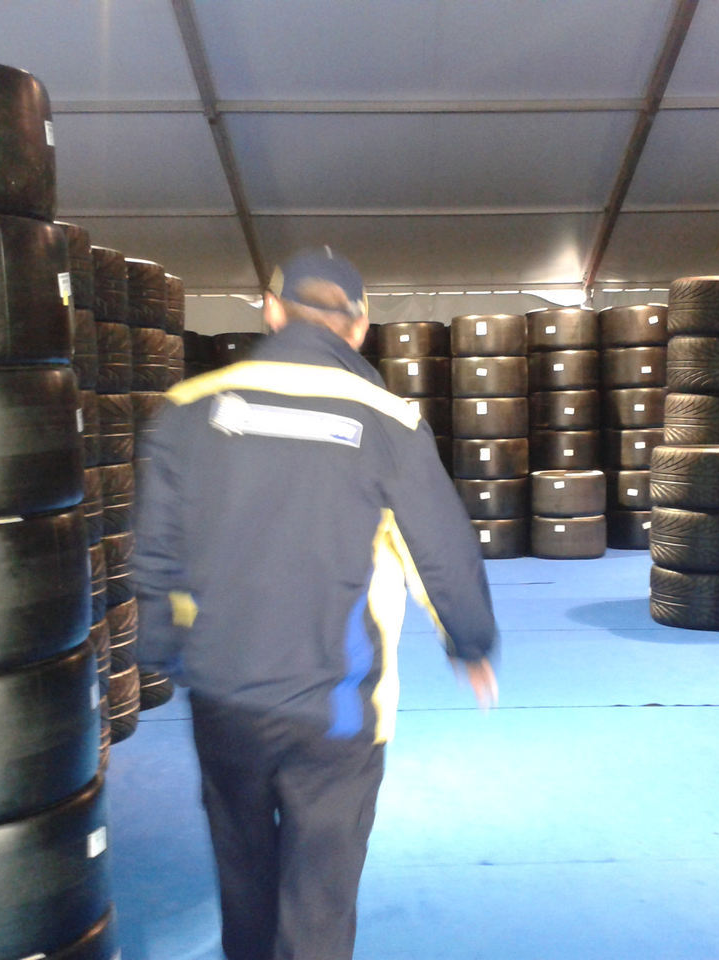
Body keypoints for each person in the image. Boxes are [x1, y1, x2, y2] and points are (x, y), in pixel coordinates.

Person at [133, 247, 499, 960]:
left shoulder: (186, 410)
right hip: (336, 708)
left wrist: (159, 643)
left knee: (243, 875)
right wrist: (471, 641)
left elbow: (157, 545)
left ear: (272, 312)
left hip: (224, 695)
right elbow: (441, 550)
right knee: (319, 900)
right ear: (358, 328)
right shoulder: (388, 421)